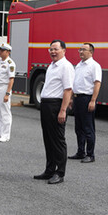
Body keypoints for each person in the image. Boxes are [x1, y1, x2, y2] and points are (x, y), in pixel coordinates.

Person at [34, 40, 74, 184]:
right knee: (48, 139)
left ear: (64, 50)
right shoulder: (52, 66)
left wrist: (63, 110)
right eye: (51, 49)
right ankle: (49, 169)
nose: (53, 52)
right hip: (46, 104)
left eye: (56, 49)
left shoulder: (66, 66)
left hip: (56, 105)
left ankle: (60, 173)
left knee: (58, 140)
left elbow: (68, 89)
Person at [69, 43, 102, 163]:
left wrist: (93, 100)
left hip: (87, 98)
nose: (81, 52)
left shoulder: (94, 66)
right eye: (80, 49)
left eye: (84, 50)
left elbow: (97, 83)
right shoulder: (79, 65)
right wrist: (72, 98)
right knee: (79, 127)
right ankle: (80, 151)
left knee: (88, 128)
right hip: (78, 98)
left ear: (91, 52)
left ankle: (90, 154)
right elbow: (75, 82)